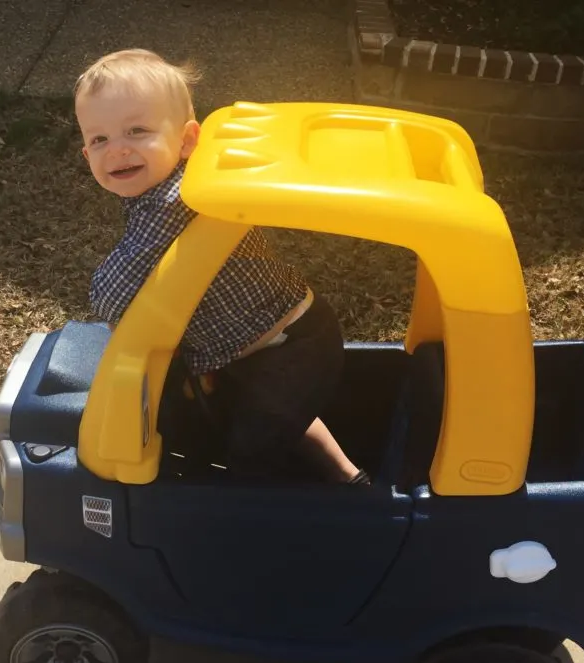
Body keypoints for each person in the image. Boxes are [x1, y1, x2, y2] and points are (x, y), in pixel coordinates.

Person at [74, 48, 369, 485]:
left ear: (187, 140)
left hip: (289, 349)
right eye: (99, 139)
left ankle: (277, 518)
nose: (116, 150)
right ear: (85, 154)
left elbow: (114, 295)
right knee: (278, 417)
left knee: (252, 447)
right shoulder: (164, 187)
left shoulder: (172, 203)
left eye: (136, 131)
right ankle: (349, 479)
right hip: (270, 341)